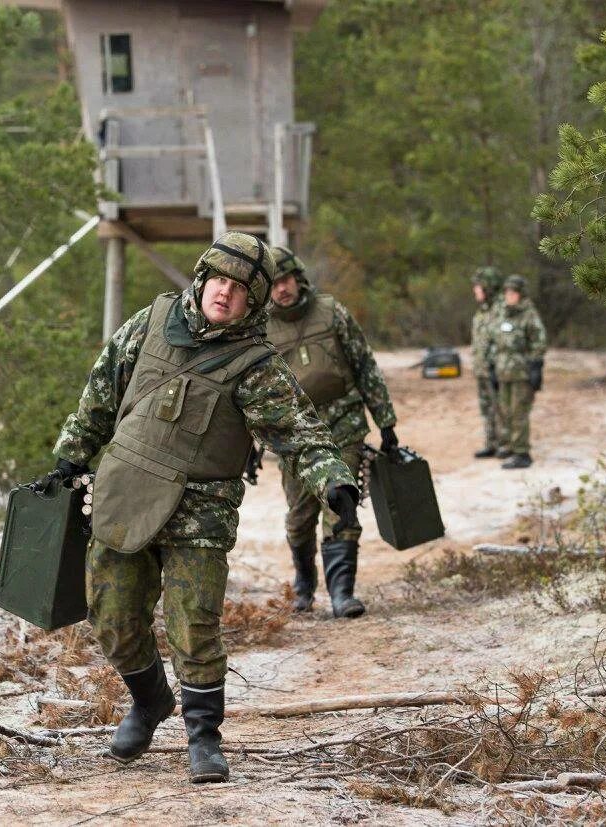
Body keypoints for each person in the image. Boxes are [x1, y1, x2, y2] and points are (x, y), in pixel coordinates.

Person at [37, 232, 360, 784]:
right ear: (203, 277)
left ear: (254, 303)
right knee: (111, 617)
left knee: (194, 623)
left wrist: (334, 480)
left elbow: (300, 433)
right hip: (126, 494)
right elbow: (100, 394)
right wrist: (70, 457)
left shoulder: (257, 363)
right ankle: (149, 701)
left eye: (240, 290)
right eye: (221, 281)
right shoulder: (149, 323)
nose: (226, 295)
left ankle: (203, 736)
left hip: (201, 510)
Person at [261, 246, 398, 618]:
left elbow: (364, 364)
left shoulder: (332, 313)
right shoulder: (259, 330)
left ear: (299, 278)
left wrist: (385, 421)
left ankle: (342, 592)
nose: (281, 289)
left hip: (343, 425)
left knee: (342, 503)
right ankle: (304, 582)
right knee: (299, 517)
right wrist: (248, 445)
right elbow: (249, 390)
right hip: (294, 434)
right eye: (273, 284)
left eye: (286, 280)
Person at [491, 274, 547, 469]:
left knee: (518, 412)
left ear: (521, 294)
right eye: (507, 291)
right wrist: (494, 367)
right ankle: (509, 445)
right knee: (504, 410)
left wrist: (536, 368)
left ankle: (522, 452)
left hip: (521, 373)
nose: (509, 295)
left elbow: (539, 343)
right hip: (504, 371)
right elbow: (496, 342)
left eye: (512, 292)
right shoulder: (503, 313)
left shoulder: (529, 315)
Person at [469, 266, 505, 458]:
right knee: (486, 407)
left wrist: (494, 363)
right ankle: (491, 443)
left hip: (496, 369)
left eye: (478, 286)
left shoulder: (501, 309)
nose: (475, 290)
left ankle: (505, 444)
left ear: (488, 288)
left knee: (501, 407)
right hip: (482, 369)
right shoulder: (482, 311)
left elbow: (502, 340)